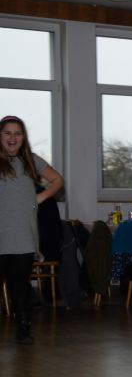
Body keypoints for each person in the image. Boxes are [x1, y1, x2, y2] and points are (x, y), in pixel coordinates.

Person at [0, 115, 64, 345]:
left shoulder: (31, 160)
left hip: (24, 235)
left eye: (17, 133)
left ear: (23, 137)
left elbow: (57, 180)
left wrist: (40, 197)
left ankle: (23, 327)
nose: (12, 137)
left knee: (19, 284)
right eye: (7, 133)